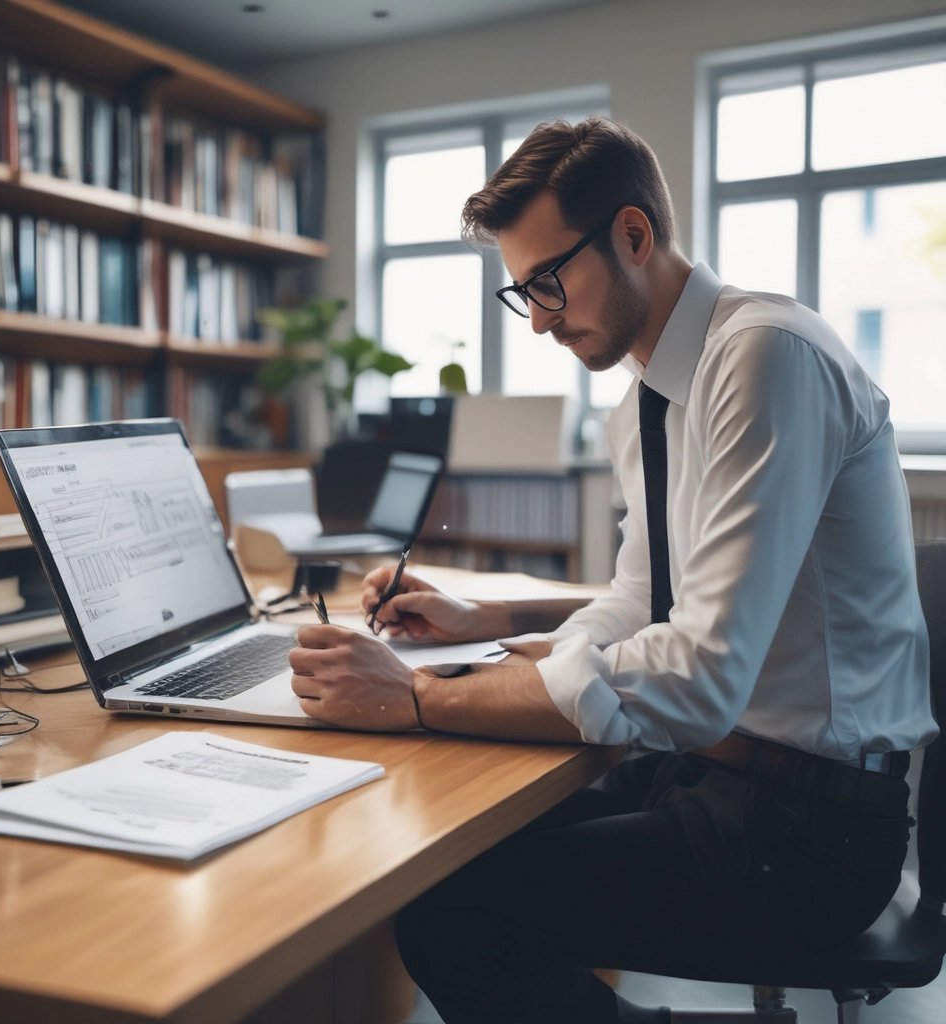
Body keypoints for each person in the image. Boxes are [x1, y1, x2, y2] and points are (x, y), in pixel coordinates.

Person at [289, 117, 937, 1023]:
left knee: (456, 919)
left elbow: (700, 676)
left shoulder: (766, 358)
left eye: (549, 281)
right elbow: (642, 595)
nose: (539, 319)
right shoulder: (645, 401)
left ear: (634, 234)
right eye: (523, 293)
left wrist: (420, 697)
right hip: (717, 774)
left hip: (810, 830)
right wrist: (498, 633)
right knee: (440, 853)